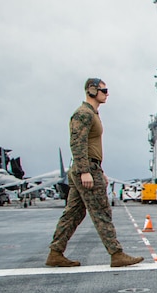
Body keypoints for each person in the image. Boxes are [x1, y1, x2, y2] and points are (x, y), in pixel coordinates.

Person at [46, 79, 143, 267]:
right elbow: (77, 143)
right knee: (101, 211)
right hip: (86, 168)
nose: (107, 94)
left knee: (73, 213)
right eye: (103, 90)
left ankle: (55, 252)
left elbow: (90, 146)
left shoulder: (92, 114)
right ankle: (116, 254)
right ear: (91, 91)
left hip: (91, 167)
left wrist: (99, 170)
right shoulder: (83, 114)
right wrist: (85, 171)